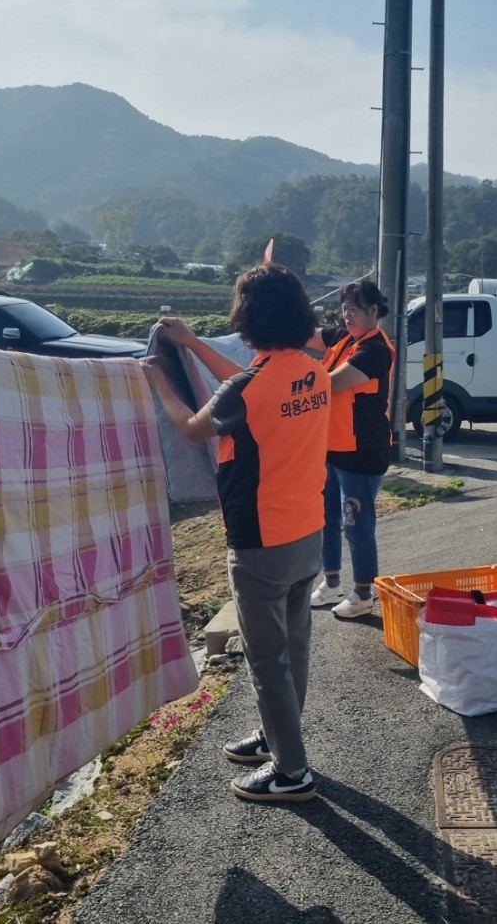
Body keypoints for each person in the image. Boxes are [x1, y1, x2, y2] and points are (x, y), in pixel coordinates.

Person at [142, 262, 329, 803]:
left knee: (267, 659)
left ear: (247, 318)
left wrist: (157, 379)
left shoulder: (249, 388)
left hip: (260, 539)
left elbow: (191, 426)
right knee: (293, 645)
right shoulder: (311, 370)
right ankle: (278, 738)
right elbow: (242, 383)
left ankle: (292, 773)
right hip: (307, 529)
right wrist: (193, 344)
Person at [306, 279, 396, 619]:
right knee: (326, 519)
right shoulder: (344, 338)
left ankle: (363, 592)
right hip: (331, 449)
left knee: (356, 524)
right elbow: (308, 335)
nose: (347, 316)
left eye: (354, 310)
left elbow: (331, 384)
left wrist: (294, 383)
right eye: (344, 309)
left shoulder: (375, 349)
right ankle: (331, 582)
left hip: (362, 452)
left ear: (373, 311)